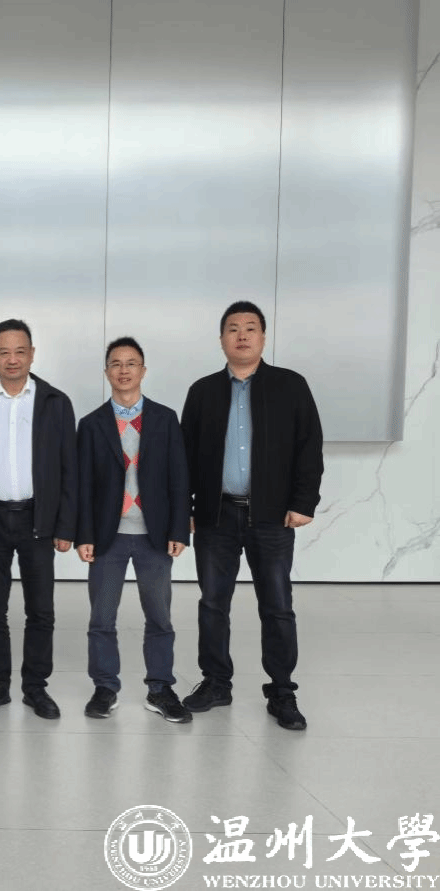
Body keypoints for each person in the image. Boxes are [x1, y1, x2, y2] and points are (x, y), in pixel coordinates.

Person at [180, 301, 323, 731]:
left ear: (263, 337)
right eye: (233, 328)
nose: (241, 335)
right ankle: (216, 682)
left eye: (250, 328)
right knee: (212, 604)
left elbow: (309, 447)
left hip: (272, 517)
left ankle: (281, 691)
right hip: (215, 516)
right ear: (221, 339)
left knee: (277, 606)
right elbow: (184, 457)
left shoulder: (290, 386)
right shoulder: (203, 391)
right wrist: (185, 509)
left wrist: (303, 502)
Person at [0, 319, 76, 719]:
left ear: (32, 354)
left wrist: (66, 525)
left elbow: (69, 468)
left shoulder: (55, 402)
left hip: (37, 519)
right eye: (4, 352)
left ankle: (35, 687)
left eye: (20, 351)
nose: (12, 359)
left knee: (40, 609)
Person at [76, 336, 192, 723]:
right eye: (116, 363)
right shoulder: (91, 424)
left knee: (159, 617)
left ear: (143, 370)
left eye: (131, 363)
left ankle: (160, 689)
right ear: (106, 372)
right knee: (101, 618)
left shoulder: (165, 419)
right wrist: (84, 535)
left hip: (154, 536)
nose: (123, 370)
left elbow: (179, 478)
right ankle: (104, 688)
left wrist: (179, 529)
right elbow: (83, 486)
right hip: (107, 538)